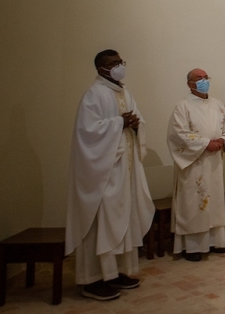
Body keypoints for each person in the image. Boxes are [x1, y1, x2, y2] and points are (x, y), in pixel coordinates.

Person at [65, 49, 155, 301]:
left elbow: (138, 121)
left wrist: (137, 125)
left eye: (120, 62)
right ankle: (92, 280)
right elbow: (87, 132)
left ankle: (115, 273)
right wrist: (119, 123)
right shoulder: (93, 94)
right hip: (102, 174)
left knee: (122, 220)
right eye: (112, 63)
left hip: (123, 172)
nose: (118, 66)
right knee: (102, 222)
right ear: (100, 68)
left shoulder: (125, 93)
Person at [167, 68, 225, 261]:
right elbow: (178, 134)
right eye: (199, 78)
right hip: (194, 162)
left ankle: (216, 242)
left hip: (213, 161)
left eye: (206, 78)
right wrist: (207, 143)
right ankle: (192, 247)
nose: (204, 81)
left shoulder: (217, 104)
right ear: (190, 84)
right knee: (193, 202)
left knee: (213, 201)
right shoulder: (182, 106)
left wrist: (223, 141)